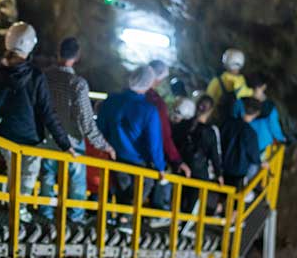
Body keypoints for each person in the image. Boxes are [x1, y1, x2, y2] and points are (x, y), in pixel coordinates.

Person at [0, 22, 74, 222]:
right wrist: (65, 143)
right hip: (30, 138)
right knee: (28, 175)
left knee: (13, 171)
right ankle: (19, 209)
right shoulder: (35, 75)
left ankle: (12, 204)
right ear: (30, 46)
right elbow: (47, 112)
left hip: (5, 134)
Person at [39, 37, 115, 224]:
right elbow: (87, 123)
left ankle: (45, 212)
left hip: (47, 138)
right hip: (72, 143)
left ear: (58, 51)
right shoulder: (77, 84)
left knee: (47, 175)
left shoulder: (43, 76)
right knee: (77, 180)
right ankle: (75, 216)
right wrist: (105, 146)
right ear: (78, 56)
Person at [96, 64, 166, 206]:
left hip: (115, 156)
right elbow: (154, 144)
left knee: (122, 192)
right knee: (143, 187)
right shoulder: (149, 110)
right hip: (138, 161)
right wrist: (160, 166)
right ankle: (126, 221)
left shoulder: (111, 100)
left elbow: (101, 128)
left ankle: (121, 221)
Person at [146, 60, 191, 211]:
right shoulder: (157, 103)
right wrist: (177, 160)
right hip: (146, 155)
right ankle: (159, 210)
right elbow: (164, 136)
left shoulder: (128, 95)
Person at [173, 95, 223, 213]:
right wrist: (219, 174)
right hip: (199, 172)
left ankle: (176, 222)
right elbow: (214, 155)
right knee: (192, 202)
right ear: (210, 111)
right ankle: (184, 226)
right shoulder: (210, 131)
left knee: (180, 198)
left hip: (182, 167)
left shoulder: (184, 125)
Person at [233, 73, 286, 154]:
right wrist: (281, 139)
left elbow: (233, 119)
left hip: (241, 143)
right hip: (261, 144)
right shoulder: (270, 107)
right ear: (264, 86)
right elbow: (274, 127)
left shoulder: (240, 101)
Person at [220, 97, 267, 189]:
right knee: (234, 194)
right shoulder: (250, 132)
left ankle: (219, 203)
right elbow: (253, 154)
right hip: (238, 170)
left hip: (223, 165)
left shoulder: (228, 123)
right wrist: (260, 162)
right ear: (256, 114)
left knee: (223, 190)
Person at [206, 48, 253, 118]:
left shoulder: (215, 82)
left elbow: (207, 101)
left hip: (220, 120)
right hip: (239, 122)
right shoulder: (242, 82)